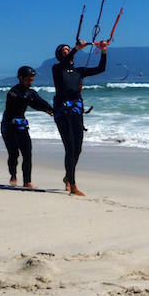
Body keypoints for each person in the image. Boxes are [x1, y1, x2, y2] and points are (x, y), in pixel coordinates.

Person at [52, 39, 108, 196]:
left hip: (76, 111)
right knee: (69, 148)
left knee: (77, 149)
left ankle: (68, 176)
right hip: (62, 112)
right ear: (59, 55)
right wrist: (76, 48)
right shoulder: (57, 69)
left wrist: (103, 50)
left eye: (68, 49)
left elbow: (101, 68)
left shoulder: (79, 71)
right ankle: (73, 184)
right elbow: (64, 62)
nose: (67, 51)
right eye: (64, 50)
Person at [0, 66, 53, 188]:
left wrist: (51, 109)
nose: (31, 82)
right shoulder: (13, 92)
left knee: (27, 153)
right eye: (29, 79)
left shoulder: (31, 92)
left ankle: (27, 181)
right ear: (20, 78)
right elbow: (29, 102)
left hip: (21, 126)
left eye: (32, 80)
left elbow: (40, 101)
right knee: (14, 154)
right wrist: (44, 109)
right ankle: (13, 174)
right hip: (8, 127)